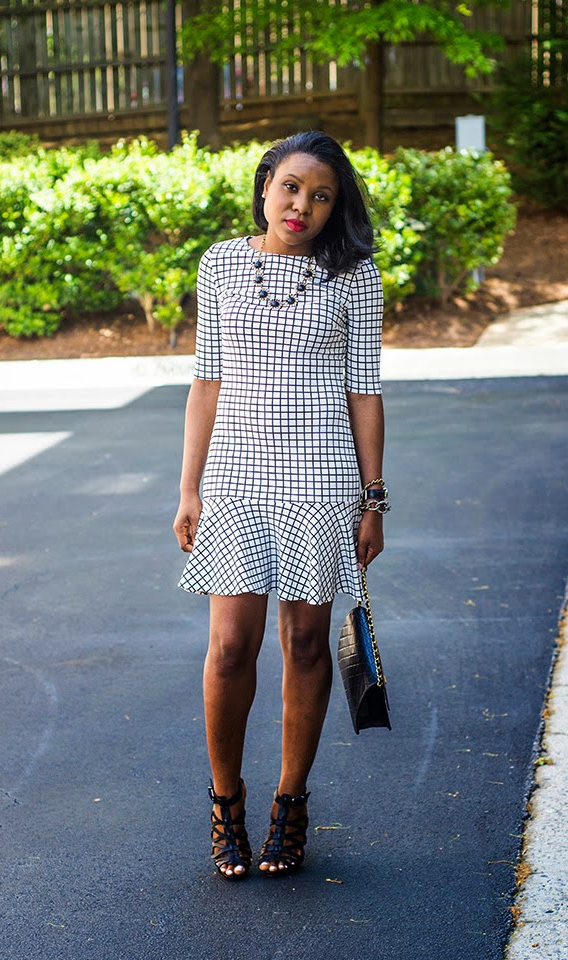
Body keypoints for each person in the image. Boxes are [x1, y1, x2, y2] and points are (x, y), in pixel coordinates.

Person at [173, 131, 387, 881]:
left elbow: (365, 392)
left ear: (334, 207)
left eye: (321, 195)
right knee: (231, 646)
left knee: (304, 644)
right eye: (291, 187)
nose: (302, 205)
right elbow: (206, 381)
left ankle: (290, 803)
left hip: (322, 478)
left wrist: (373, 500)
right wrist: (189, 487)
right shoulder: (221, 263)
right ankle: (225, 802)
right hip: (235, 477)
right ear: (265, 185)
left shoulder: (355, 275)